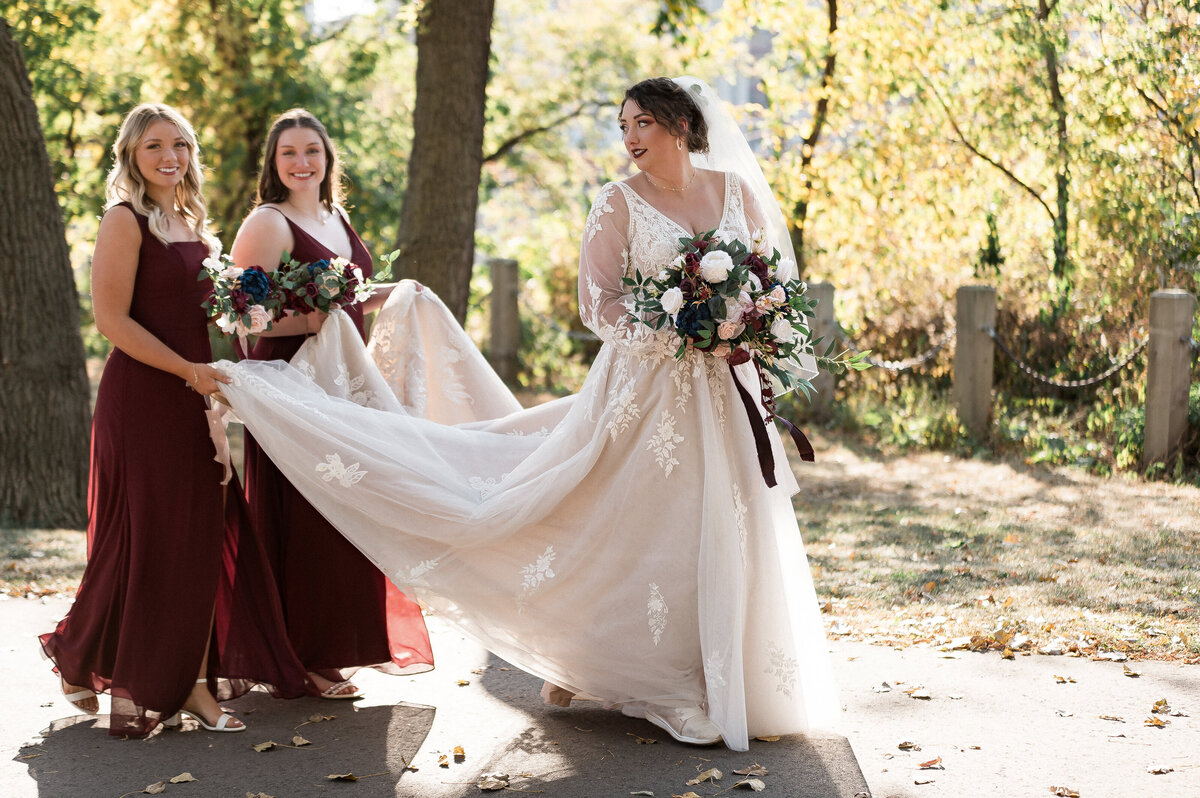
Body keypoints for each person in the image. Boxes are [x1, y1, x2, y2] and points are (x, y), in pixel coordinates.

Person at [216, 77, 839, 751]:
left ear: (681, 126)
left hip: (723, 390)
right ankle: (660, 682)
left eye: (642, 126)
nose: (629, 139)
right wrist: (670, 331)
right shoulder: (618, 203)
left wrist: (745, 324)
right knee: (646, 519)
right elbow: (597, 304)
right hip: (648, 388)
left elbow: (771, 282)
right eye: (623, 126)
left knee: (726, 518)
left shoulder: (736, 193)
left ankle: (726, 671)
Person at [39, 103, 312, 737]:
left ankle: (119, 664)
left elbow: (212, 323)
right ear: (131, 155)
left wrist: (227, 378)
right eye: (154, 145)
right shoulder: (123, 220)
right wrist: (189, 373)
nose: (171, 156)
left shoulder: (197, 228)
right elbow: (111, 322)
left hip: (194, 397)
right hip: (141, 397)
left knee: (195, 533)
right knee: (149, 538)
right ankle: (162, 679)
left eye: (181, 145)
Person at [229, 109, 434, 700]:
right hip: (292, 387)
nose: (301, 163)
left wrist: (393, 295)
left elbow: (348, 302)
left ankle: (340, 643)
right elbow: (240, 319)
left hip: (342, 386)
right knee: (306, 518)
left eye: (312, 151)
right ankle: (302, 655)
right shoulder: (268, 222)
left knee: (348, 514)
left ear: (327, 157)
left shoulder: (335, 217)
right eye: (288, 153)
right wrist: (310, 317)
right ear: (273, 162)